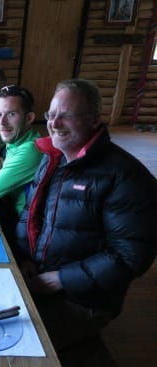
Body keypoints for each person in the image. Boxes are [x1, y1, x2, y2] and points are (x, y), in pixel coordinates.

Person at [15, 79, 157, 350]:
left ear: (94, 120)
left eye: (66, 116)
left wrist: (60, 280)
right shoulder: (54, 158)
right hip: (42, 276)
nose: (54, 124)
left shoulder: (126, 177)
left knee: (16, 343)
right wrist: (25, 256)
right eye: (52, 114)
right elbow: (30, 212)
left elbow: (131, 257)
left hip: (83, 300)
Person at [0, 85, 42, 244]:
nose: (2, 122)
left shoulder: (29, 150)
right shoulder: (16, 142)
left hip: (19, 229)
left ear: (29, 118)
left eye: (11, 114)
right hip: (11, 212)